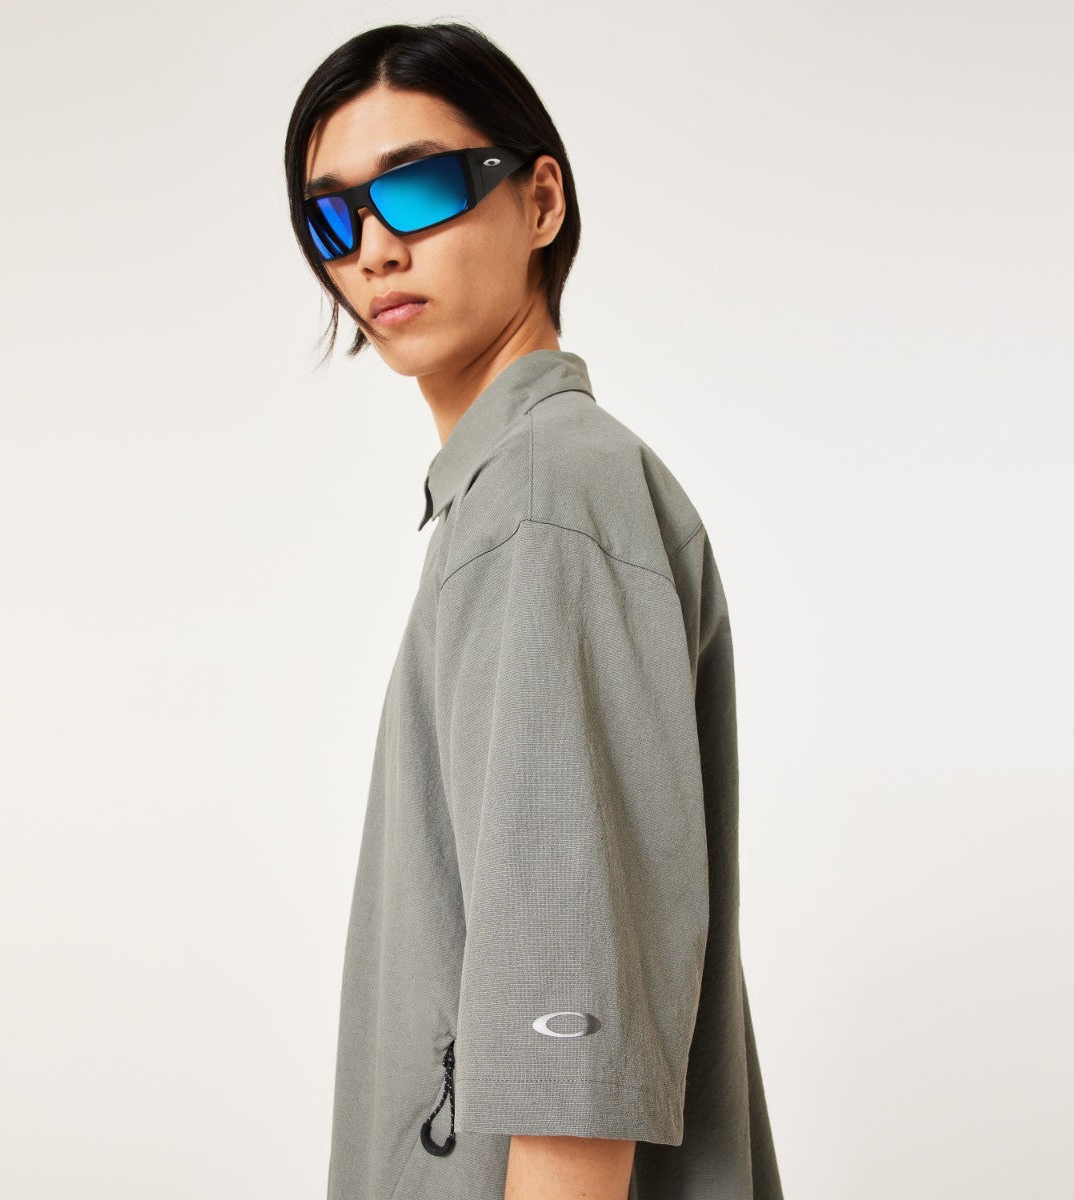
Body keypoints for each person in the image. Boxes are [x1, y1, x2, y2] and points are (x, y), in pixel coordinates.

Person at [285, 21, 784, 1200]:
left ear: (540, 199)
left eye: (417, 186)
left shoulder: (545, 496)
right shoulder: (515, 496)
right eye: (332, 218)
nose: (374, 249)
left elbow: (574, 1042)